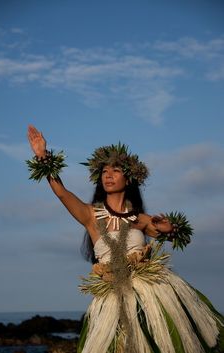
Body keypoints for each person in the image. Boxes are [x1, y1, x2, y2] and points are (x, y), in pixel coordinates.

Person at [27, 125, 223, 353]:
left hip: (153, 294)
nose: (108, 175)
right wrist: (42, 155)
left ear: (129, 179)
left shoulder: (139, 218)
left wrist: (169, 227)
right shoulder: (90, 216)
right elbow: (62, 193)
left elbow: (172, 233)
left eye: (116, 170)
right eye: (104, 171)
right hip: (112, 298)